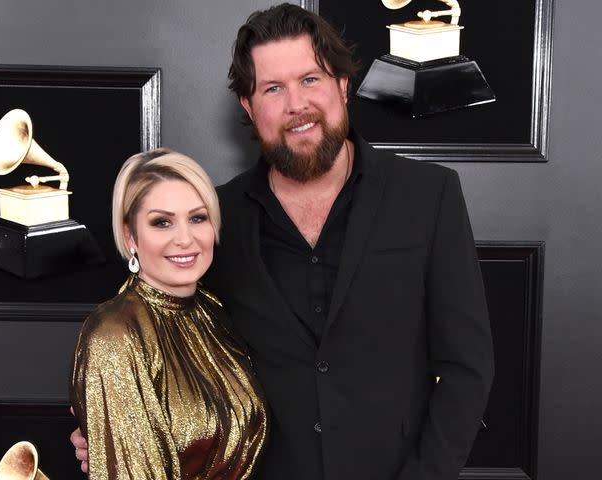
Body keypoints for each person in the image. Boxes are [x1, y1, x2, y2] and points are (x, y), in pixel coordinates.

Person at [73, 4, 494, 479]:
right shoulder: (216, 218)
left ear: (342, 86)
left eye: (310, 79)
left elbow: (467, 367)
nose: (296, 104)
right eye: (274, 88)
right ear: (249, 107)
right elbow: (169, 334)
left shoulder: (428, 195)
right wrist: (114, 423)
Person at [69, 148, 268, 479]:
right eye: (162, 222)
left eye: (197, 218)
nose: (185, 238)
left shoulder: (212, 310)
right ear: (130, 234)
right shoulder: (113, 334)